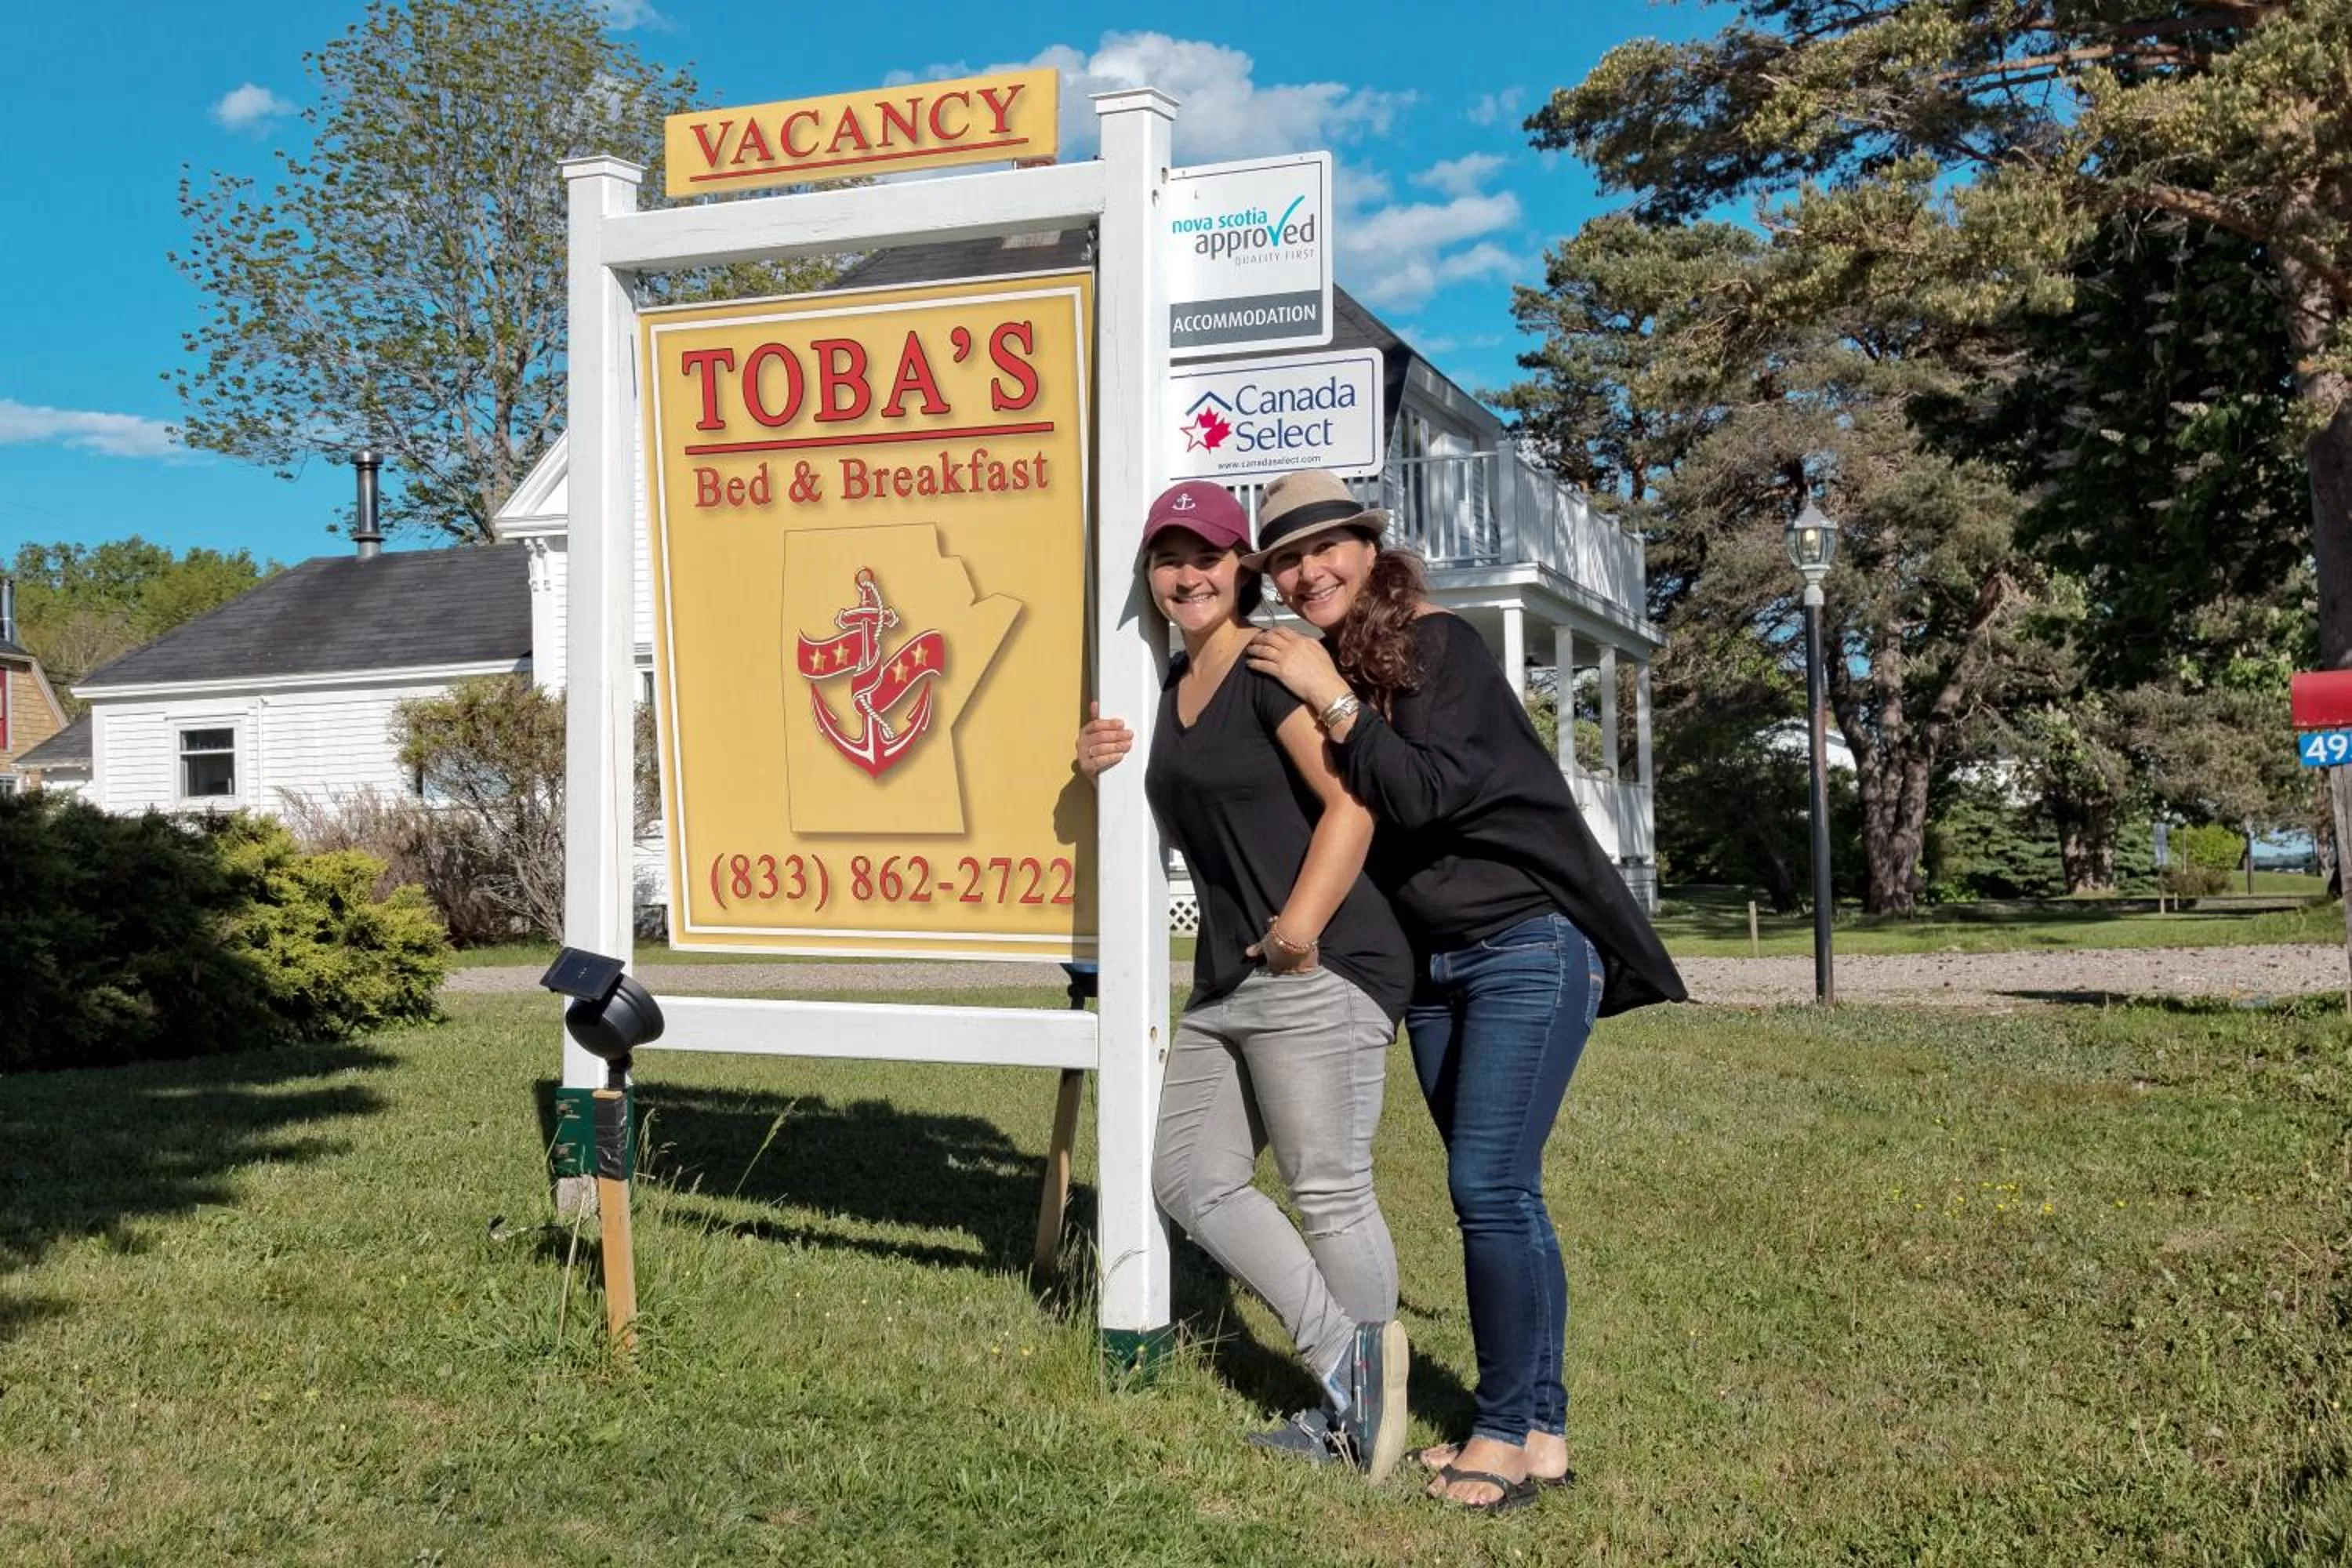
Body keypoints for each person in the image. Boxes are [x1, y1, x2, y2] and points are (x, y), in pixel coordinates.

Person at [1240, 468, 1689, 1513]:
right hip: (1439, 972)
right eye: (1286, 561)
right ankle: (1535, 1430)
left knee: (1491, 1189)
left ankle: (1505, 1429)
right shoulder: (1334, 662)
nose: (1307, 573)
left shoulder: (1441, 646)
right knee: (1498, 1196)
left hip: (1527, 946)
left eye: (1324, 549)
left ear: (1368, 545)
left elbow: (1424, 791)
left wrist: (1331, 696)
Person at [1075, 479, 1416, 1481]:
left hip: (1323, 958)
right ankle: (1352, 1365)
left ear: (1243, 569)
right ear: (1150, 574)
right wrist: (1090, 765)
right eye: (1170, 556)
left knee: (1328, 1189)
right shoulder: (1163, 693)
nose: (1190, 572)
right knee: (1188, 1176)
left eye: (1211, 554)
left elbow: (1353, 804)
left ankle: (1363, 1415)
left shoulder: (1270, 668)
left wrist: (1301, 927)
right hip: (1228, 974)